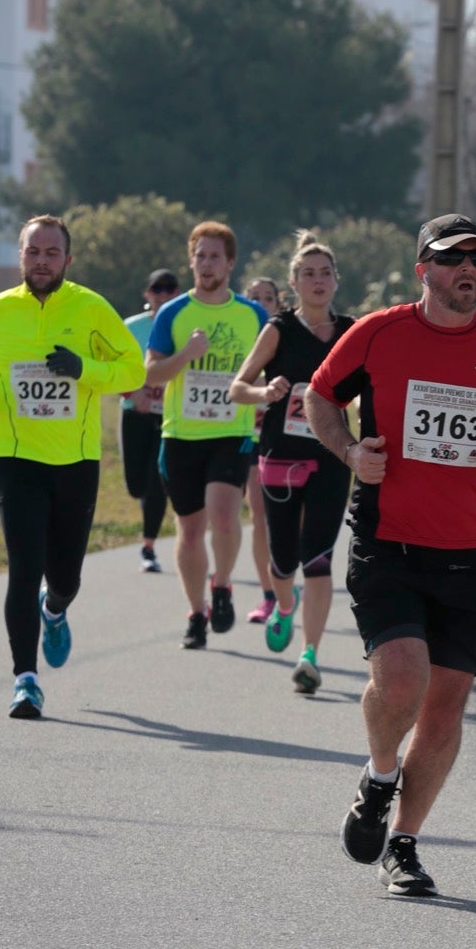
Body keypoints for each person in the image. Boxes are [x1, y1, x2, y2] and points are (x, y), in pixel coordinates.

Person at [305, 213, 476, 896]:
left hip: (470, 551)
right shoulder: (378, 333)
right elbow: (320, 396)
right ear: (424, 270)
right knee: (402, 679)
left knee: (444, 708)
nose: (468, 268)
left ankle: (403, 845)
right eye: (451, 258)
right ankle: (380, 776)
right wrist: (350, 451)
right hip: (389, 540)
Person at [0, 215, 146, 719]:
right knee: (23, 564)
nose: (41, 261)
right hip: (14, 457)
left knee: (65, 577)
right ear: (20, 256)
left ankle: (54, 608)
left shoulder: (91, 308)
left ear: (67, 259)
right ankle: (25, 680)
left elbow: (132, 368)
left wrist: (85, 370)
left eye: (51, 253)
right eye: (33, 251)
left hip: (75, 460)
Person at [229, 239, 354, 693]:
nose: (318, 281)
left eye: (325, 272)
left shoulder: (351, 331)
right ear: (294, 283)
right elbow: (237, 388)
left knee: (318, 557)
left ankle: (310, 653)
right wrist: (266, 394)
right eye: (309, 274)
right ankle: (284, 606)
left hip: (333, 458)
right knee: (283, 562)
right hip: (281, 455)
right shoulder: (278, 329)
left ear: (335, 279)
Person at [146, 222, 269, 649]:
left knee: (223, 515)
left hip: (231, 432)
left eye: (215, 256)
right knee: (191, 530)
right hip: (181, 435)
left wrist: (266, 396)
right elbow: (152, 373)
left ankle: (223, 584)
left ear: (231, 263)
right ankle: (196, 611)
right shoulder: (173, 313)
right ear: (191, 260)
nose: (207, 263)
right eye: (200, 256)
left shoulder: (252, 315)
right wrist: (186, 355)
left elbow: (273, 368)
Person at [120, 269, 179, 573]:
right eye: (158, 289)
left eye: (171, 289)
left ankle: (148, 545)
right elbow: (111, 364)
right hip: (135, 412)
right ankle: (148, 513)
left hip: (169, 416)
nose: (164, 295)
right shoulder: (132, 327)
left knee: (157, 480)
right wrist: (133, 393)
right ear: (147, 294)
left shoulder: (185, 326)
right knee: (135, 484)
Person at [241, 276, 282, 624]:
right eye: (253, 297)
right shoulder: (237, 336)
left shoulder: (285, 340)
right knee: (258, 516)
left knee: (286, 520)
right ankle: (269, 594)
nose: (261, 303)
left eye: (267, 298)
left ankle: (284, 577)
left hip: (285, 440)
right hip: (246, 436)